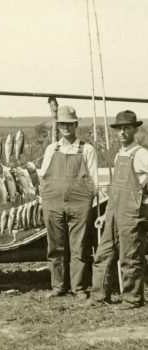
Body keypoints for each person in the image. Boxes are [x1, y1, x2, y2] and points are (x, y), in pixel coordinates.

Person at [28, 105, 98, 299]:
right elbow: (44, 176)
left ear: (76, 125)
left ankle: (79, 288)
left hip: (79, 204)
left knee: (79, 246)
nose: (66, 127)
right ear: (58, 126)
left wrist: (87, 201)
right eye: (62, 124)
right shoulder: (52, 148)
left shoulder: (87, 149)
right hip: (53, 203)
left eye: (69, 123)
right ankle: (58, 286)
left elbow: (94, 181)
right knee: (56, 246)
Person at [88, 110, 148, 309]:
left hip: (131, 213)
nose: (122, 132)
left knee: (130, 257)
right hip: (114, 212)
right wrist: (106, 214)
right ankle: (98, 297)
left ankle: (132, 299)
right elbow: (115, 189)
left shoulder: (141, 154)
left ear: (134, 130)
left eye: (127, 128)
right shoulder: (120, 154)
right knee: (103, 254)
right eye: (119, 128)